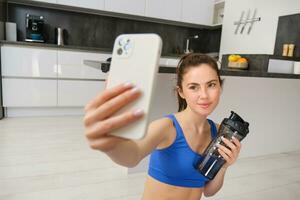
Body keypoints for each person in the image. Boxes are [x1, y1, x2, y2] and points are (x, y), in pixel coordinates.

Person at [83, 53, 241, 200]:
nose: (204, 95)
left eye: (211, 85)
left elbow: (208, 191)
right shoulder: (167, 127)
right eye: (193, 87)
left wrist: (224, 167)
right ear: (181, 92)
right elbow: (132, 155)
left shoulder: (219, 132)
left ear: (220, 87)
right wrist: (110, 143)